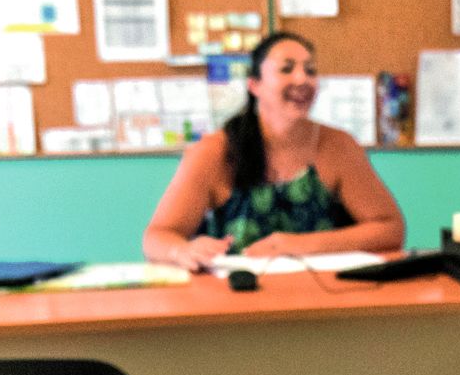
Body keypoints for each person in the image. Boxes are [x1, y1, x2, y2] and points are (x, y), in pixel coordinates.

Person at [142, 32, 406, 270]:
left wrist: (295, 245)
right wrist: (182, 250)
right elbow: (157, 237)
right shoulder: (213, 152)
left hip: (322, 302)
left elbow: (390, 229)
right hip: (235, 305)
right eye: (287, 69)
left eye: (310, 70)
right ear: (254, 85)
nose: (302, 79)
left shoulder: (338, 146)